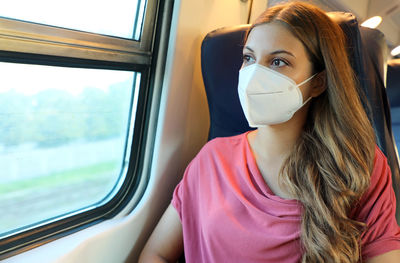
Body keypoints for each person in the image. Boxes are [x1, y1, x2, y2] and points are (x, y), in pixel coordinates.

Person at [139, 2, 400, 262]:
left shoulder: (358, 166)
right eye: (249, 58)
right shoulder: (211, 159)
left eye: (278, 61)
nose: (254, 75)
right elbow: (156, 253)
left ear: (318, 82)